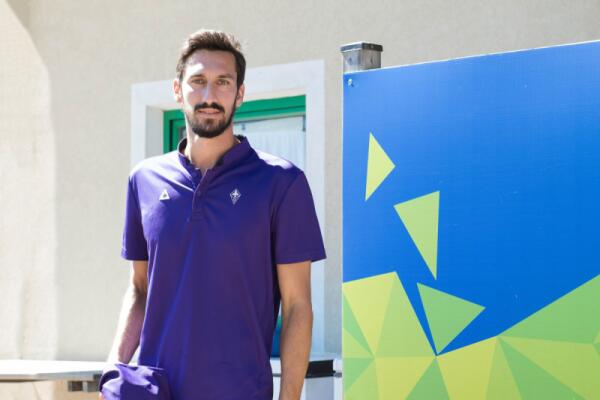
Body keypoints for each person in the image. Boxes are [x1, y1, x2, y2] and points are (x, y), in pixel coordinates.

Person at [99, 29, 326, 400]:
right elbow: (140, 289)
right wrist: (113, 371)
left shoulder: (281, 183)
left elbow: (298, 306)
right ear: (177, 90)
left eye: (223, 82)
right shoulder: (143, 180)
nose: (209, 96)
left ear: (240, 93)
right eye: (198, 81)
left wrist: (289, 397)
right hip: (155, 392)